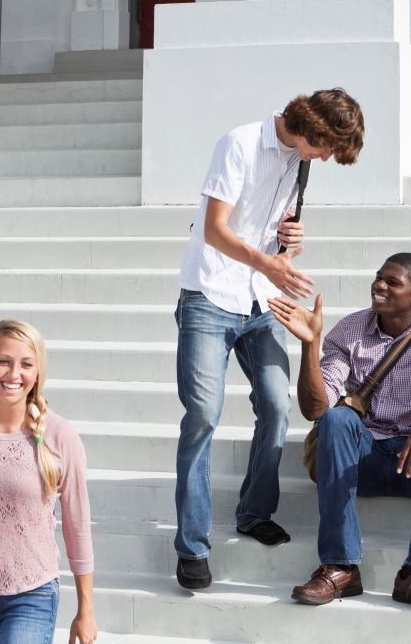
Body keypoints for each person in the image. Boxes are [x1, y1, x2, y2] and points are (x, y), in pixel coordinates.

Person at [174, 88, 365, 589]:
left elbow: (272, 230)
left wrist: (290, 240)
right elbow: (215, 229)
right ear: (312, 129)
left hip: (259, 301)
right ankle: (192, 547)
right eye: (325, 148)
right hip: (210, 294)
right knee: (202, 416)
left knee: (278, 408)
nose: (325, 159)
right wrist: (270, 264)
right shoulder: (238, 144)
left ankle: (254, 511)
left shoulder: (300, 162)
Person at [270, 253, 411, 611]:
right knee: (336, 420)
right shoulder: (350, 331)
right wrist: (311, 343)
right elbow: (315, 408)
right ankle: (340, 566)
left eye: (392, 282)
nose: (380, 285)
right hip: (363, 459)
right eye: (378, 277)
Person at [0, 320, 96, 644]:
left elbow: (77, 526)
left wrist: (86, 610)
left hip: (32, 596)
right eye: (3, 361)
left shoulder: (60, 435)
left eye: (26, 364)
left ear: (38, 372)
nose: (14, 374)